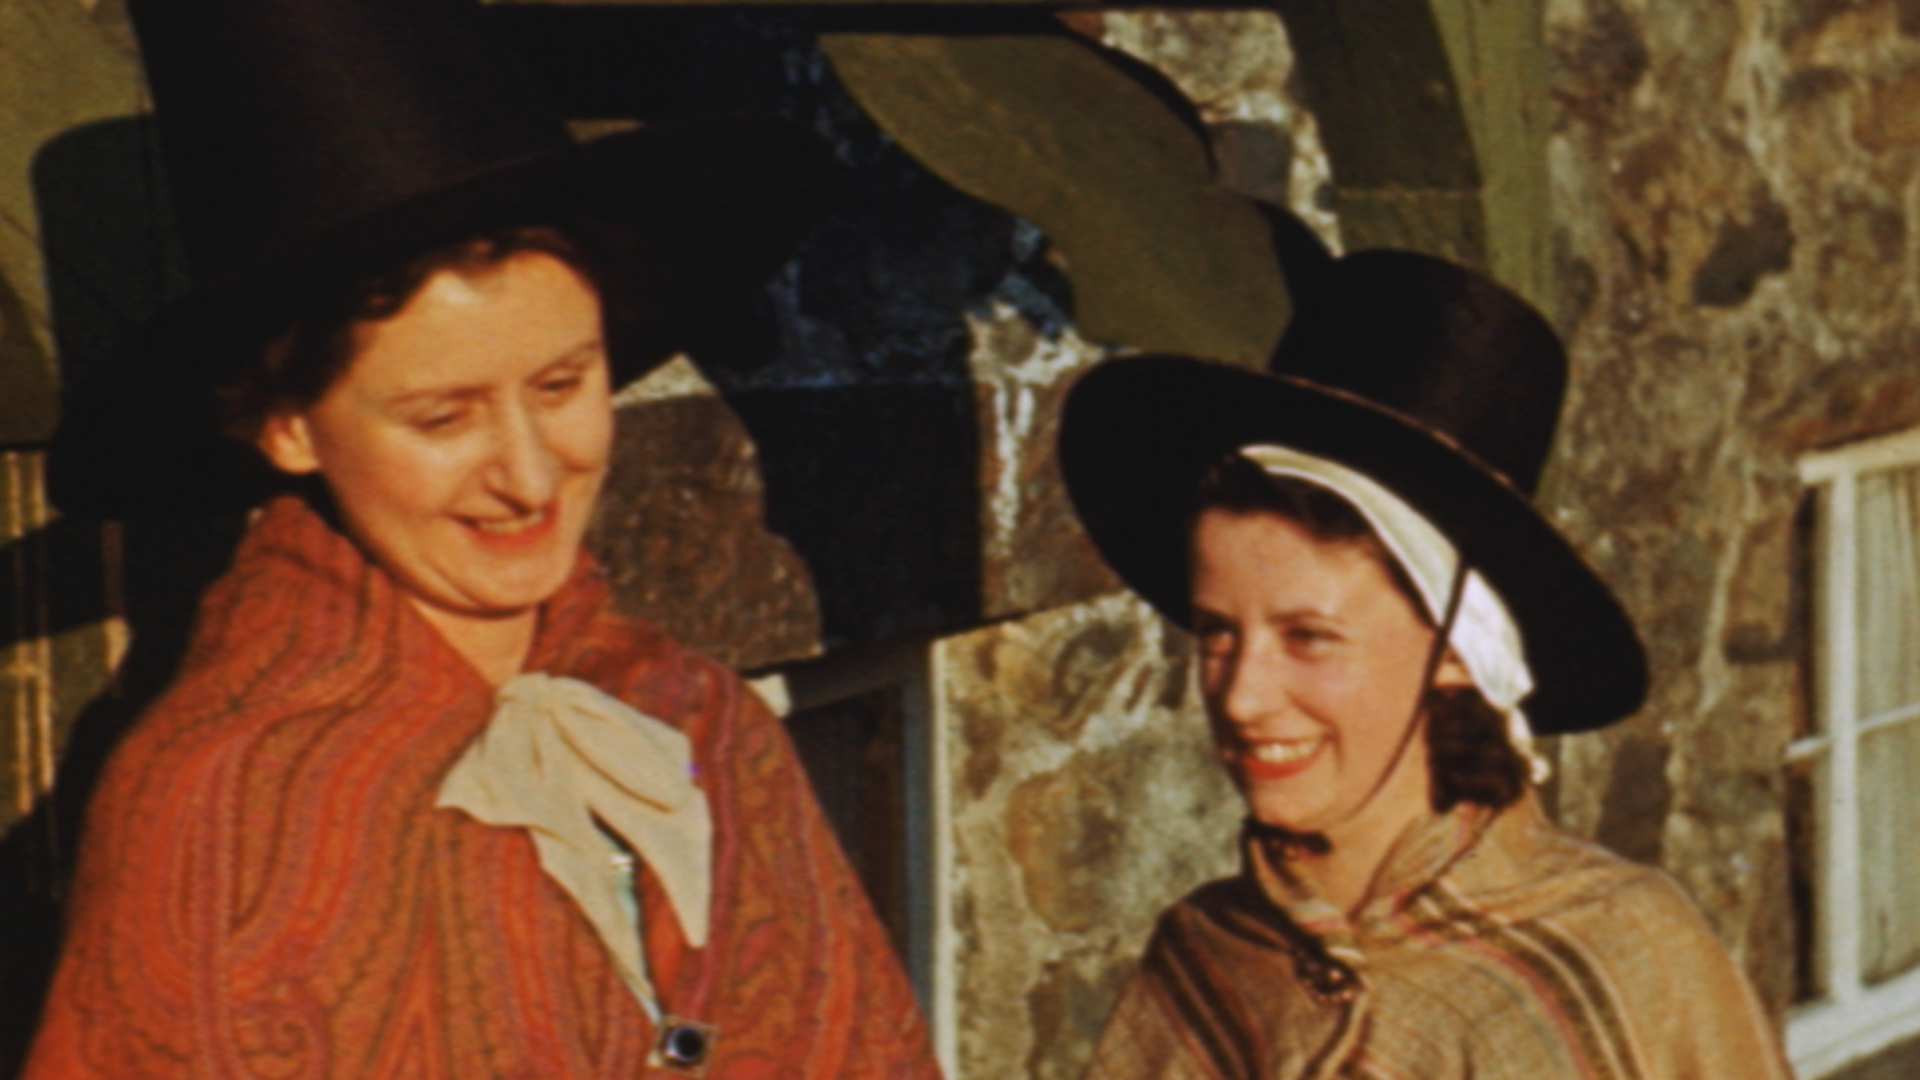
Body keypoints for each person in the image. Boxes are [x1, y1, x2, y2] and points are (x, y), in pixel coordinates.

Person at [24, 0, 939, 1076]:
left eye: (561, 385)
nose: (530, 475)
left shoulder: (698, 719)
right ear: (288, 426)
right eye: (443, 418)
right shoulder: (219, 810)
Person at [1056, 235, 1791, 1079]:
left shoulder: (1623, 958)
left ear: (1456, 651)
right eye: (1218, 631)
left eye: (1308, 637)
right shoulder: (1213, 955)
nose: (1243, 697)